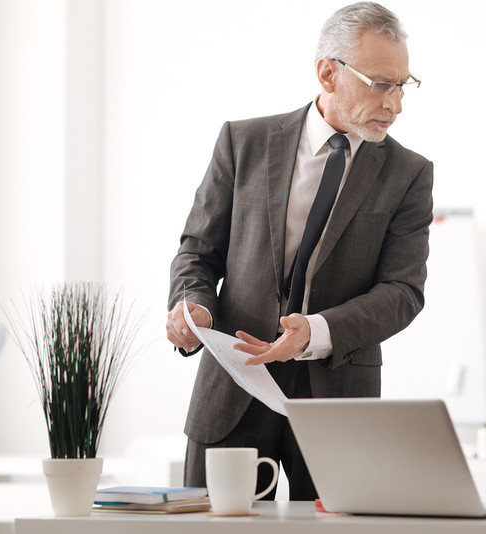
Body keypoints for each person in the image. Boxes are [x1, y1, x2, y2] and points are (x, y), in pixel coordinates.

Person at [165, 2, 433, 501]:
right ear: (327, 74)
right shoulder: (242, 142)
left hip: (338, 399)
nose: (395, 104)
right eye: (381, 84)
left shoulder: (409, 174)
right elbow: (197, 253)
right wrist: (192, 305)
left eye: (402, 85)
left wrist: (317, 331)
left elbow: (403, 292)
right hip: (232, 389)